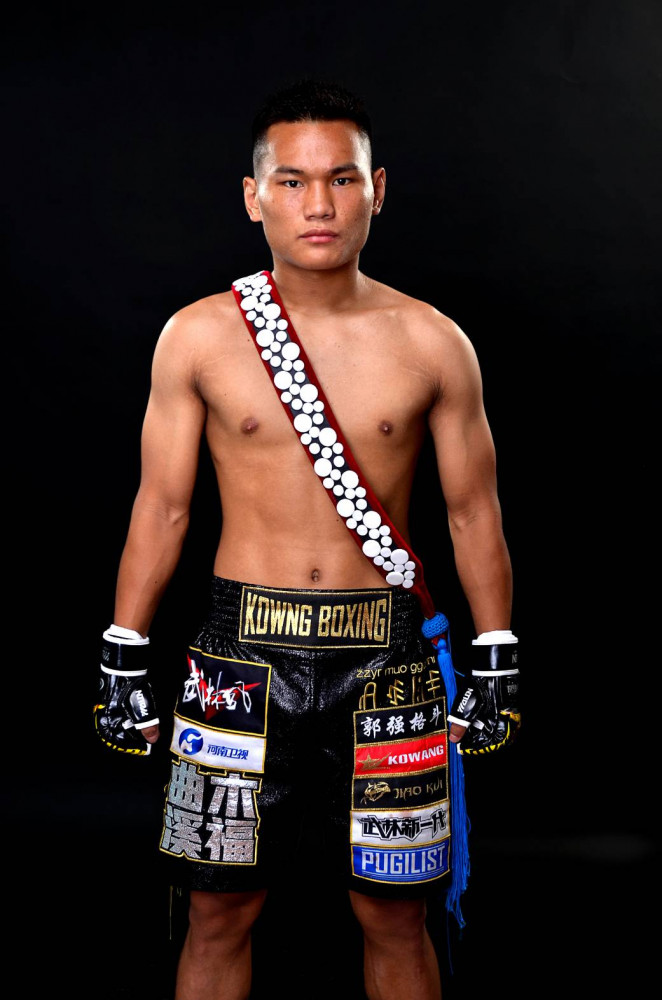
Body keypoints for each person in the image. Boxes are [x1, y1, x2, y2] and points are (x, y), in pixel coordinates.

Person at [95, 80, 519, 1000]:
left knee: (396, 912)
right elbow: (161, 507)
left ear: (378, 190)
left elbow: (472, 512)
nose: (317, 204)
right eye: (291, 181)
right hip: (236, 657)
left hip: (389, 659)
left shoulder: (434, 341)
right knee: (217, 908)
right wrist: (123, 649)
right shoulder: (198, 336)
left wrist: (496, 651)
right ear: (254, 197)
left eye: (341, 179)